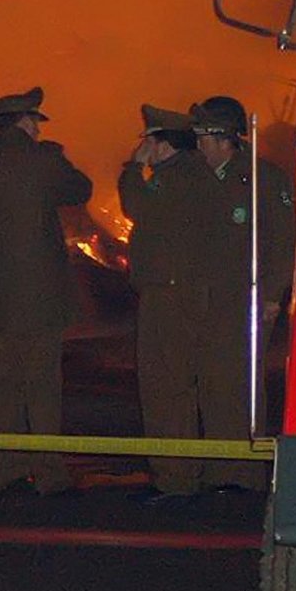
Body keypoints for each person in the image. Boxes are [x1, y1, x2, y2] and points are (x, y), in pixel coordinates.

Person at [0, 86, 93, 501]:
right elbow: (80, 189)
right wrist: (56, 154)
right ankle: (48, 473)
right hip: (41, 301)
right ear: (27, 122)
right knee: (43, 388)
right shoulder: (43, 160)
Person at [117, 104, 226, 501]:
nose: (144, 147)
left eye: (149, 140)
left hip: (170, 293)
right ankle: (181, 471)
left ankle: (174, 477)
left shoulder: (175, 178)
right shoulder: (194, 176)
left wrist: (133, 167)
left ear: (163, 144)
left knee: (165, 385)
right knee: (178, 384)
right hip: (183, 289)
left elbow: (136, 207)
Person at [189, 95, 296, 491]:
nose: (198, 145)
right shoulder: (200, 177)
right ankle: (220, 468)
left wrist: (272, 295)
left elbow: (283, 240)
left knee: (243, 384)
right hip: (208, 300)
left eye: (203, 137)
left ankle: (246, 473)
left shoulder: (264, 179)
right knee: (213, 383)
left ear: (223, 139)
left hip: (248, 300)